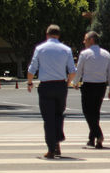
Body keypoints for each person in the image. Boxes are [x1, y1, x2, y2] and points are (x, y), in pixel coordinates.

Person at [27, 24, 76, 159]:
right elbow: (72, 71)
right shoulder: (66, 49)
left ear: (47, 34)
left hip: (46, 87)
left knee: (48, 119)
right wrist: (67, 82)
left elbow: (32, 69)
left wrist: (30, 82)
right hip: (61, 86)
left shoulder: (40, 49)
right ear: (58, 35)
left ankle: (51, 148)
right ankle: (57, 140)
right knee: (58, 115)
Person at [73, 30, 110, 149]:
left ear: (91, 40)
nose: (84, 42)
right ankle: (92, 139)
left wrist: (75, 82)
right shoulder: (106, 54)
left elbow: (79, 70)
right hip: (101, 86)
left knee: (87, 112)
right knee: (95, 112)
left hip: (88, 86)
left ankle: (98, 134)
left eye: (85, 39)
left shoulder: (84, 54)